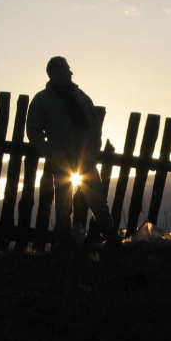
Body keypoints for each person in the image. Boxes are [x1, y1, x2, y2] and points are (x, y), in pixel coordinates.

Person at [26, 56, 120, 250]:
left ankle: (112, 242)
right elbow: (33, 129)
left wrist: (94, 151)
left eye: (69, 69)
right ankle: (64, 246)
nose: (70, 72)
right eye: (65, 69)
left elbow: (94, 126)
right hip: (62, 163)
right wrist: (48, 151)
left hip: (86, 161)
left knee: (99, 204)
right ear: (54, 74)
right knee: (63, 208)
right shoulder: (42, 100)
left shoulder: (80, 96)